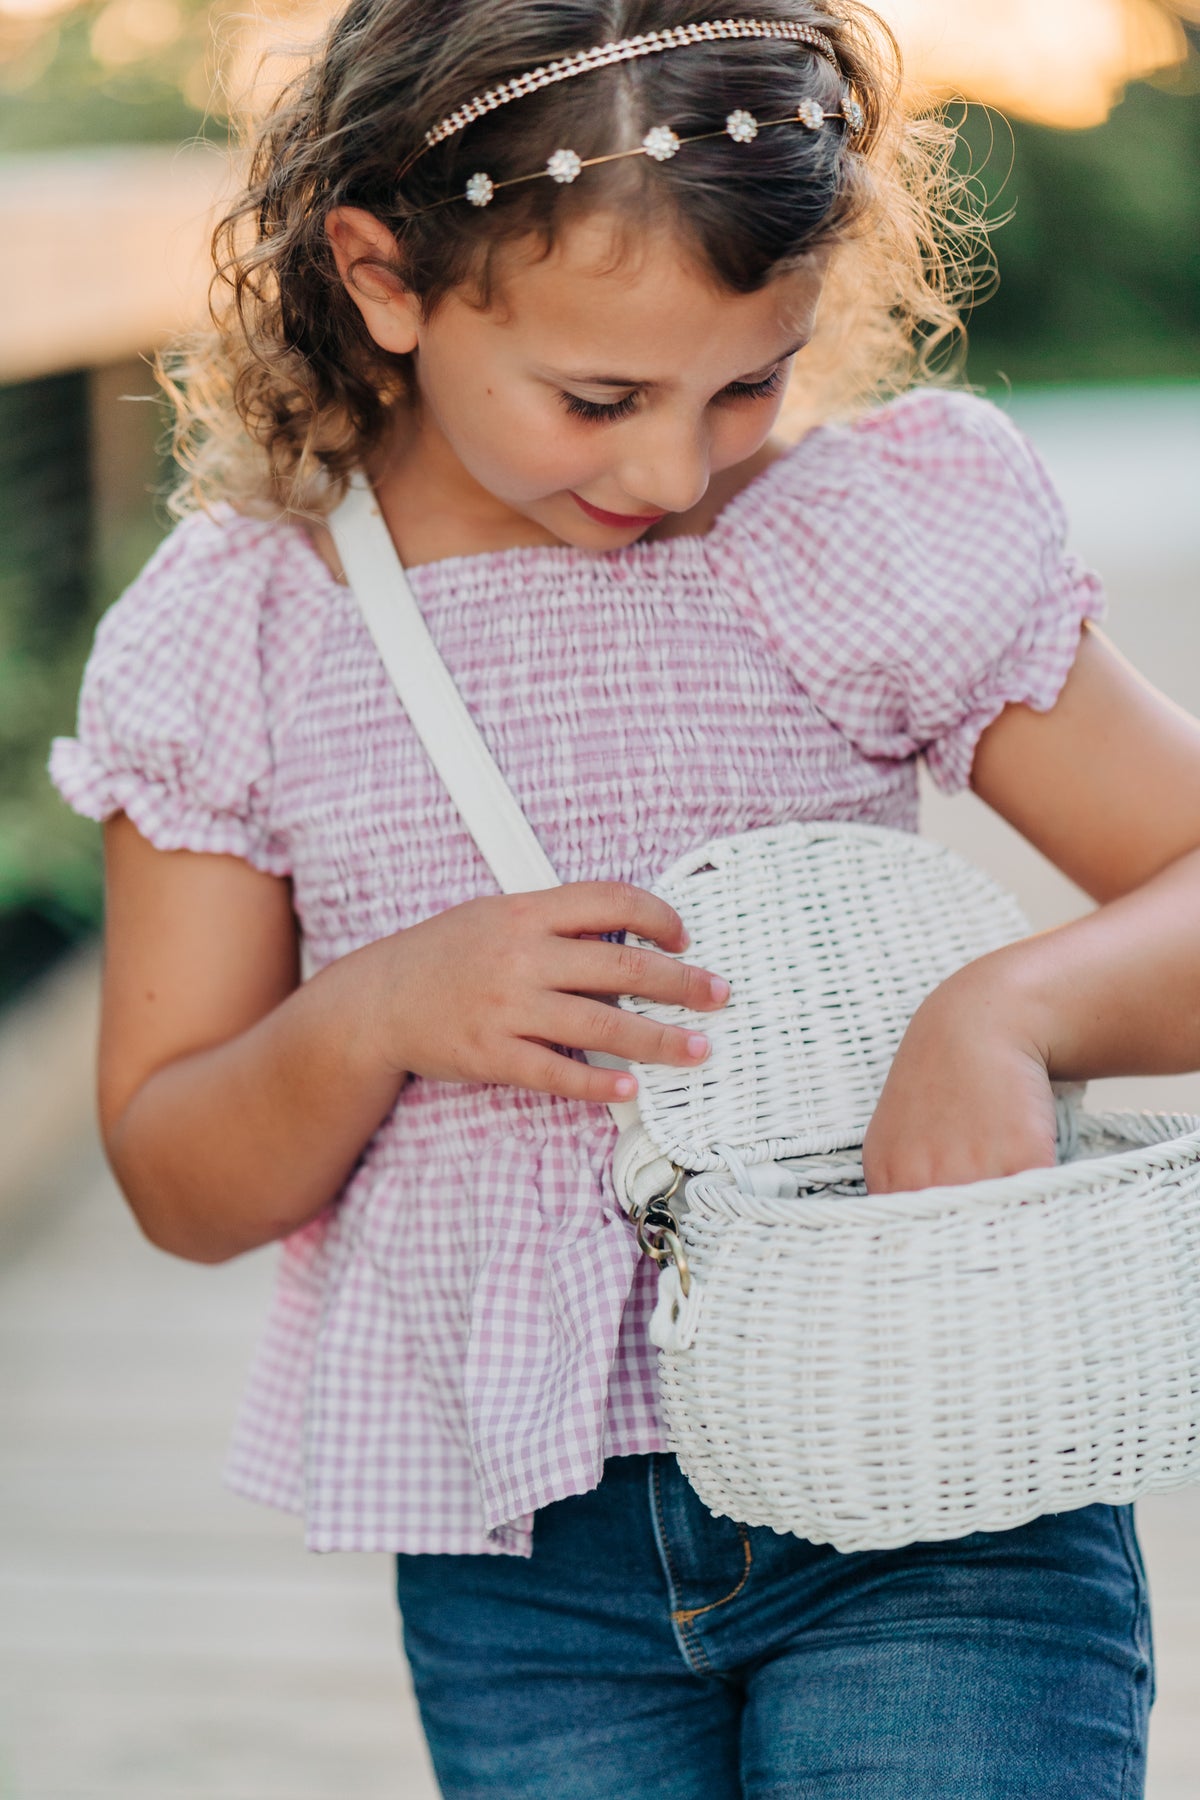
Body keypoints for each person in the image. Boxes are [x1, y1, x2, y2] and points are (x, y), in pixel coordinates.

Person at [49, 1, 1199, 1792]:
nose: (675, 472)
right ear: (382, 277)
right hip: (530, 1574)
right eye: (600, 398)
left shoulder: (851, 537)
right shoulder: (243, 639)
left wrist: (1009, 1008)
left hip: (934, 1478)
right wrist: (376, 1010)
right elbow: (178, 1177)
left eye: (750, 379)